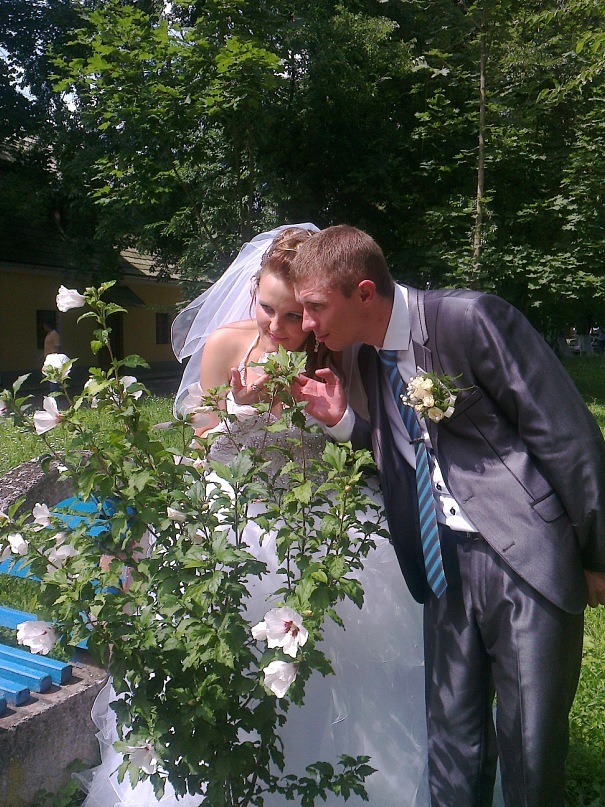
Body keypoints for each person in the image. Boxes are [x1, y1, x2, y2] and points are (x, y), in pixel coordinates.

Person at [77, 225, 429, 807]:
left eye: (295, 315)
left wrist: (323, 415)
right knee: (218, 660)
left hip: (316, 527)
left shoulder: (340, 354)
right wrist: (236, 411)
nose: (279, 326)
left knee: (330, 669)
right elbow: (199, 445)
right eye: (267, 308)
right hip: (231, 521)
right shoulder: (225, 345)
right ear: (252, 293)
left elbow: (369, 449)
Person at [289, 224, 605, 807]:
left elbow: (569, 438)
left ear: (364, 293)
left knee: (530, 749)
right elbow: (405, 455)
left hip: (525, 560)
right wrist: (342, 421)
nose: (307, 323)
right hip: (442, 566)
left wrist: (596, 556)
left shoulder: (471, 320)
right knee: (452, 744)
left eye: (314, 306)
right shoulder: (372, 357)